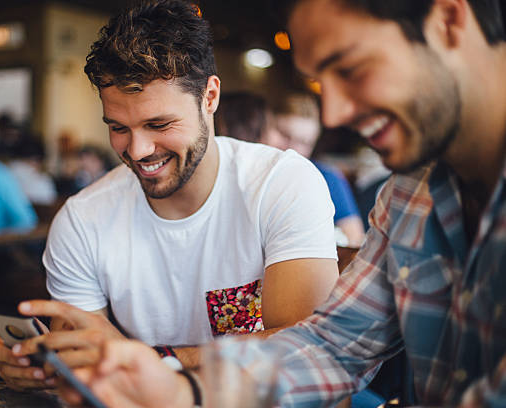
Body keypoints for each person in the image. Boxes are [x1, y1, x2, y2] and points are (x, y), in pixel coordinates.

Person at [49, 0, 506, 407]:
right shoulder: (410, 194)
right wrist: (184, 390)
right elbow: (332, 346)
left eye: (351, 68)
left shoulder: (284, 180)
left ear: (448, 20)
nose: (333, 115)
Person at [0, 0, 340, 391]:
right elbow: (87, 371)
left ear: (209, 97)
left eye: (159, 124)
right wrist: (46, 368)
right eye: (119, 127)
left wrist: (158, 362)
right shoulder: (82, 220)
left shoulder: (282, 184)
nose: (138, 150)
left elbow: (309, 354)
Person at [216, 91, 365, 247]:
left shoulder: (327, 178)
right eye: (285, 135)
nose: (293, 149)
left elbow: (354, 240)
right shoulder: (246, 174)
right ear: (265, 128)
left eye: (304, 142)